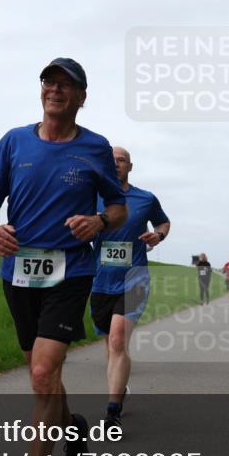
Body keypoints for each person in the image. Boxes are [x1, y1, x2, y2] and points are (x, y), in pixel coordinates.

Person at [0, 57, 127, 456]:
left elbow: (119, 208)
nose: (55, 90)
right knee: (41, 377)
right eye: (49, 82)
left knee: (44, 372)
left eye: (66, 85)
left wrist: (99, 222)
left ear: (82, 96)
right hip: (17, 271)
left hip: (71, 270)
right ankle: (74, 429)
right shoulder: (13, 141)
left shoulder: (95, 148)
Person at [91, 146, 170, 432]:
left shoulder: (145, 198)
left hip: (134, 278)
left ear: (130, 167)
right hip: (100, 280)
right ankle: (119, 386)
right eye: (110, 160)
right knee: (109, 345)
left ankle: (113, 409)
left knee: (117, 340)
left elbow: (163, 221)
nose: (116, 164)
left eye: (121, 160)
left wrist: (158, 235)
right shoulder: (92, 197)